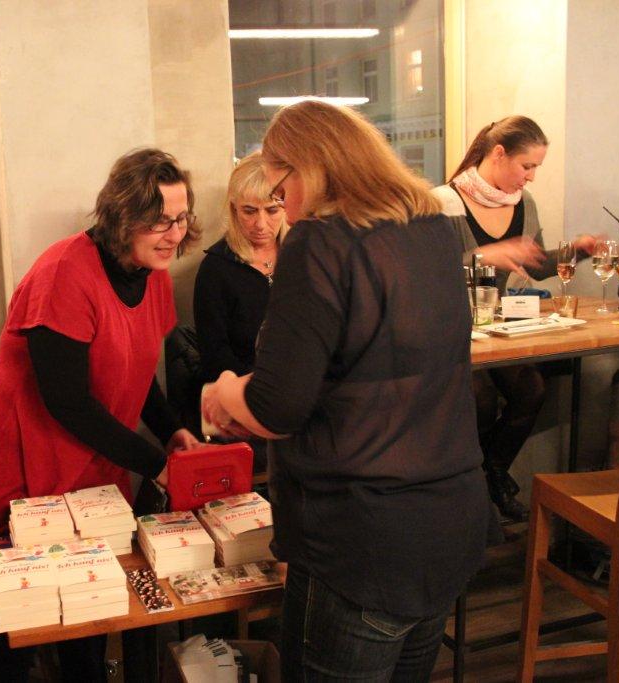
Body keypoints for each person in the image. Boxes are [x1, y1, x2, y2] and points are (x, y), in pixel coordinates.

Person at [202, 101, 491, 681]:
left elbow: (276, 409)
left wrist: (225, 391)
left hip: (363, 537)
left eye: (281, 190)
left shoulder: (320, 242)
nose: (284, 209)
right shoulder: (434, 229)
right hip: (449, 516)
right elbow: (364, 368)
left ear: (308, 169)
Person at [0, 148, 203, 681]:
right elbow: (66, 401)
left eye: (181, 219)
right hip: (20, 448)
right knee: (17, 608)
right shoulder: (65, 271)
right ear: (123, 215)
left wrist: (173, 430)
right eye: (159, 221)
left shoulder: (151, 270)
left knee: (89, 598)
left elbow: (138, 373)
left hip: (87, 450)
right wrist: (154, 463)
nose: (174, 235)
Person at [431, 116, 594, 522]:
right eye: (527, 166)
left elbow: (534, 266)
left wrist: (577, 251)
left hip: (496, 325)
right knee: (480, 399)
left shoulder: (525, 204)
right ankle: (469, 494)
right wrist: (484, 256)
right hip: (449, 326)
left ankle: (492, 475)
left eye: (536, 167)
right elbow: (427, 273)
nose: (532, 176)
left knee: (531, 391)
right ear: (499, 154)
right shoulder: (444, 202)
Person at [194, 151, 287, 384]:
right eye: (249, 211)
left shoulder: (303, 256)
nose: (261, 224)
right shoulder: (216, 269)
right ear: (234, 209)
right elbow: (215, 356)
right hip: (240, 389)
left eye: (272, 210)